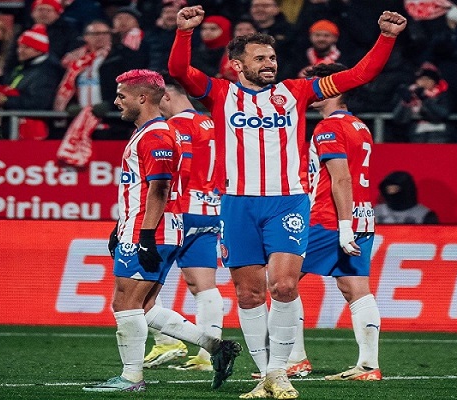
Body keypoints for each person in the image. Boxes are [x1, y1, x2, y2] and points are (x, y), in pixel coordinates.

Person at [168, 5, 406, 399]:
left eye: (272, 57)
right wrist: (184, 32)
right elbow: (179, 70)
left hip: (287, 203)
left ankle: (280, 371)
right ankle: (265, 376)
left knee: (282, 286)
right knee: (248, 294)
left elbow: (359, 75)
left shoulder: (296, 92)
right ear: (237, 65)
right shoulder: (221, 93)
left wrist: (386, 37)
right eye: (260, 58)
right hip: (237, 204)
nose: (269, 64)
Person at [82, 69, 241, 392]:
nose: (117, 102)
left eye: (122, 96)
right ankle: (215, 346)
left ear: (142, 98)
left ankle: (131, 378)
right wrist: (120, 227)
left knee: (125, 304)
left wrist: (143, 236)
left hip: (151, 229)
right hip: (150, 226)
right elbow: (141, 187)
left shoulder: (157, 135)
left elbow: (160, 188)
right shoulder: (152, 131)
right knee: (144, 306)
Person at [302, 62, 382, 382]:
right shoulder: (360, 126)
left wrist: (343, 226)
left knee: (280, 281)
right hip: (362, 216)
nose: (311, 90)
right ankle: (368, 366)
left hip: (329, 218)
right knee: (355, 288)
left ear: (333, 89)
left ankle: (293, 360)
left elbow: (342, 179)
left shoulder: (328, 127)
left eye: (317, 84)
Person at [143, 72, 223, 372]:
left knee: (142, 281)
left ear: (166, 96)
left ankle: (166, 342)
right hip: (211, 210)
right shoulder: (212, 123)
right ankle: (208, 355)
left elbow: (177, 170)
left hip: (180, 210)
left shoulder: (174, 127)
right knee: (204, 285)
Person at [0, 24, 64, 140]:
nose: (20, 51)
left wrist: (5, 100)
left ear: (38, 50)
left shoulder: (46, 72)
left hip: (28, 134)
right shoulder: (22, 68)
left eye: (26, 48)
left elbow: (39, 103)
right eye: (19, 47)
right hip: (12, 127)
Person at [392, 62, 453, 143]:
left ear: (434, 82)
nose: (424, 82)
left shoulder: (443, 95)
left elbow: (442, 114)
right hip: (416, 138)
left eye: (428, 79)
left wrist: (424, 100)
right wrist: (405, 102)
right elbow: (399, 119)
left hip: (440, 137)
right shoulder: (411, 94)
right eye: (421, 79)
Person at [374, 170, 439, 224]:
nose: (391, 193)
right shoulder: (376, 212)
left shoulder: (425, 215)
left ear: (407, 190)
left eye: (395, 189)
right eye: (388, 189)